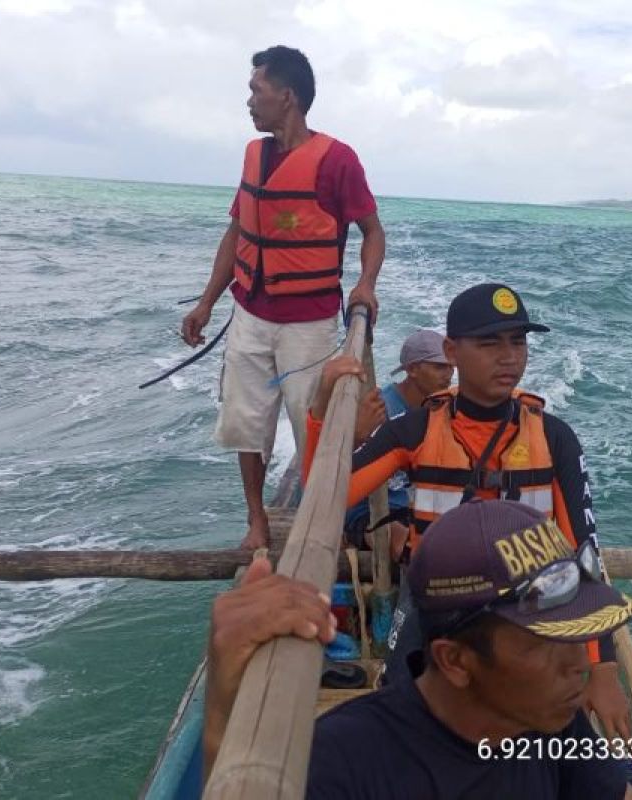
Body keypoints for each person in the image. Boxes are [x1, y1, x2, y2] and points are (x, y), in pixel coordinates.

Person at [301, 283, 632, 739]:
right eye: (489, 343)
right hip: (435, 604)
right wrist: (320, 412)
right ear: (452, 351)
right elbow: (325, 497)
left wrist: (603, 669)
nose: (509, 357)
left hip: (526, 608)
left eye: (518, 342)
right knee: (404, 711)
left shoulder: (555, 438)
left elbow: (584, 553)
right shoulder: (415, 428)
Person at [205, 500, 632, 798]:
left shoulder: (547, 719)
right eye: (543, 644)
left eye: (574, 632)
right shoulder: (346, 765)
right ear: (454, 660)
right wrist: (224, 709)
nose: (578, 664)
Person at [179, 45, 385, 551]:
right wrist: (206, 302)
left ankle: (322, 521)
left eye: (257, 90)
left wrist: (365, 286)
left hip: (308, 323)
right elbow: (236, 234)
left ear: (287, 97)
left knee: (310, 421)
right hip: (249, 313)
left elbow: (373, 231)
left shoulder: (337, 160)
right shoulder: (254, 156)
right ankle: (257, 522)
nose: (250, 101)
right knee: (246, 422)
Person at [345, 328, 454, 560]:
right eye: (439, 367)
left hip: (418, 506)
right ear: (412, 369)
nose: (449, 375)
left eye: (451, 367)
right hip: (371, 513)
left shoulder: (441, 408)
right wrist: (358, 436)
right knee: (401, 540)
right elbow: (337, 471)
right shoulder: (378, 411)